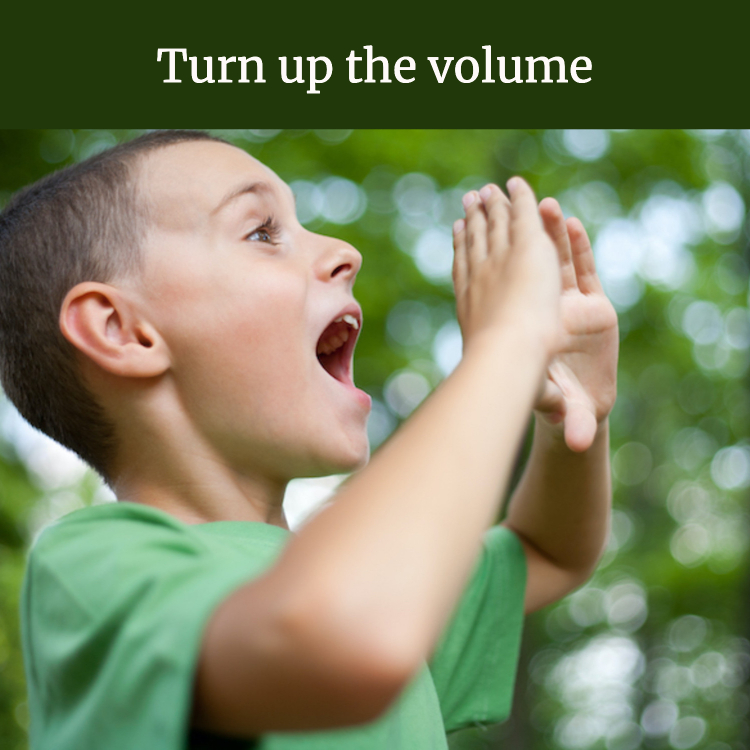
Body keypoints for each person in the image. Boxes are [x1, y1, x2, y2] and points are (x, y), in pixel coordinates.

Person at [0, 130, 619, 750]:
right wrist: (506, 344)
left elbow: (547, 553)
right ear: (123, 331)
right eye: (262, 232)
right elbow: (341, 636)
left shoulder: (382, 573)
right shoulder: (93, 569)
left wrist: (571, 420)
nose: (345, 252)